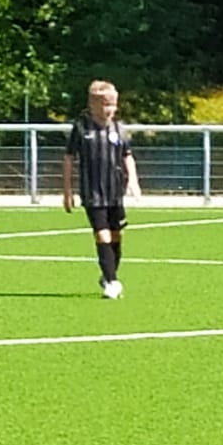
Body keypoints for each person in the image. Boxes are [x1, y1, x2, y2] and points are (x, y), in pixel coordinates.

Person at [63, 79, 141, 297]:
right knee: (102, 235)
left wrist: (133, 181)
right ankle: (112, 281)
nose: (110, 109)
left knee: (116, 235)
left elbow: (127, 155)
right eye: (106, 104)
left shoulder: (119, 129)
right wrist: (67, 191)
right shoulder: (81, 128)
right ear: (93, 105)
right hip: (92, 192)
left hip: (114, 191)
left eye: (113, 104)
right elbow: (69, 158)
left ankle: (108, 274)